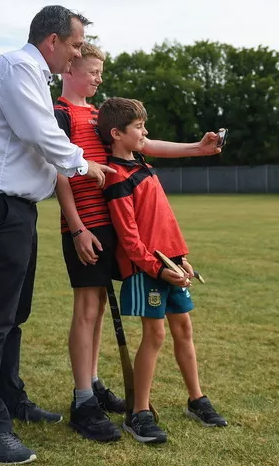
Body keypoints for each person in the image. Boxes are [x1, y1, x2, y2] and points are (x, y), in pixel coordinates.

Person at [0, 5, 115, 465]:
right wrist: (85, 164)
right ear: (52, 41)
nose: (77, 53)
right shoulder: (17, 68)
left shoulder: (32, 75)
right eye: (76, 45)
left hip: (17, 209)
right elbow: (39, 134)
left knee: (14, 313)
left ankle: (10, 399)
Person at [53, 45, 222, 442]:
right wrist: (76, 228)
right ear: (69, 66)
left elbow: (143, 144)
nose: (98, 78)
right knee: (88, 307)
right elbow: (58, 170)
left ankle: (92, 384)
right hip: (86, 225)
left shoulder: (99, 114)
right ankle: (83, 400)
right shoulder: (59, 114)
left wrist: (197, 149)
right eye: (92, 70)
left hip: (111, 225)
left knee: (99, 308)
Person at [96, 97, 228, 444]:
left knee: (184, 328)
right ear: (116, 134)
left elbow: (164, 222)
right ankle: (139, 413)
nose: (145, 132)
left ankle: (197, 399)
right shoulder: (116, 178)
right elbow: (129, 239)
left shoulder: (141, 163)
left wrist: (180, 257)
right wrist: (157, 267)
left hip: (171, 264)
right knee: (155, 336)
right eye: (139, 127)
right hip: (146, 271)